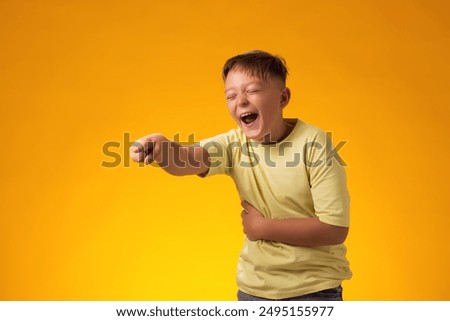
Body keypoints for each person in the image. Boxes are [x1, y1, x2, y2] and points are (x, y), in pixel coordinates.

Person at [130, 50, 352, 301]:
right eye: (231, 96)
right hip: (253, 291)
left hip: (314, 291)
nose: (241, 101)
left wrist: (263, 227)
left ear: (283, 98)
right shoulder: (234, 144)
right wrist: (162, 147)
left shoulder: (315, 144)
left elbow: (334, 229)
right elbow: (188, 159)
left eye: (253, 91)